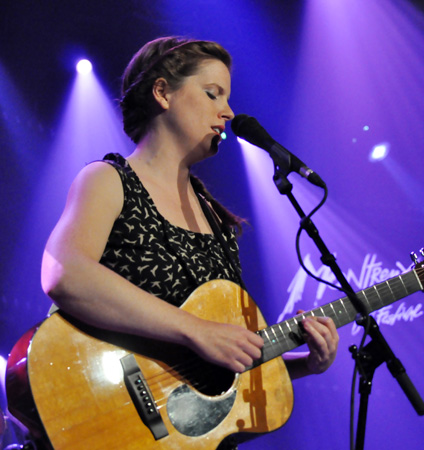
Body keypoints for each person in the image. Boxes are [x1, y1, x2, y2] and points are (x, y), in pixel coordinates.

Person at [41, 36, 338, 447]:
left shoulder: (216, 219)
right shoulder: (109, 180)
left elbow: (216, 377)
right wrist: (195, 330)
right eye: (213, 93)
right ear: (162, 92)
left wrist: (305, 364)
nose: (228, 112)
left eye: (227, 98)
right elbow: (65, 273)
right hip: (107, 417)